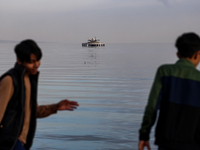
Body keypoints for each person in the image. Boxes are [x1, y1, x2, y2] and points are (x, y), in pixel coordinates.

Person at [0, 39, 79, 150]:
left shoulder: (28, 79)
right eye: (31, 62)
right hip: (10, 142)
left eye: (38, 60)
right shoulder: (10, 80)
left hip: (21, 142)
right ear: (19, 61)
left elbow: (33, 111)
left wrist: (55, 107)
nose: (36, 65)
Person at [138, 32, 200, 150]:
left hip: (166, 142)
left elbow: (152, 107)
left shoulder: (164, 72)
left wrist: (144, 135)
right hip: (194, 143)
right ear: (198, 54)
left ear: (178, 54)